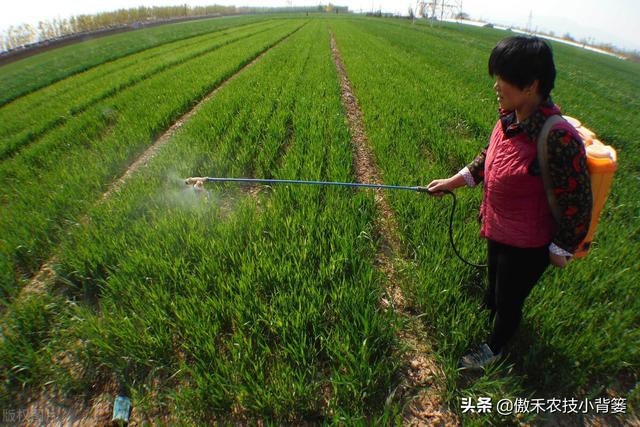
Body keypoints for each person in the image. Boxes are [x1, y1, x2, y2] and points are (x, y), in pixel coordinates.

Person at [427, 36, 592, 369]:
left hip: (529, 243)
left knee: (509, 298)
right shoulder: (510, 117)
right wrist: (451, 183)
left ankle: (495, 347)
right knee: (495, 281)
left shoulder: (558, 138)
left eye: (503, 78)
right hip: (499, 226)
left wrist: (562, 248)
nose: (496, 86)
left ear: (531, 85)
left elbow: (579, 199)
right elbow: (487, 160)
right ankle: (490, 308)